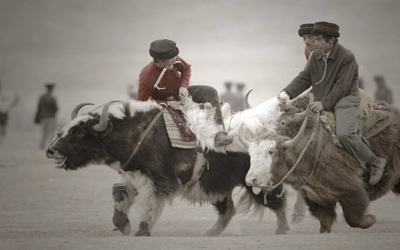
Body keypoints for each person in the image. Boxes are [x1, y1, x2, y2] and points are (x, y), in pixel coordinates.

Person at [279, 21, 386, 186]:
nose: (314, 43)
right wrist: (286, 93)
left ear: (331, 41)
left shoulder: (347, 57)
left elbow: (342, 86)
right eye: (313, 39)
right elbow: (304, 77)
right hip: (322, 99)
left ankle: (374, 161)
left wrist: (324, 104)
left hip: (345, 100)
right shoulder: (316, 55)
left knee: (344, 134)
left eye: (318, 39)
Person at [137, 39, 233, 146]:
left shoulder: (173, 59)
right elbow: (142, 103)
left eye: (175, 57)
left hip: (181, 93)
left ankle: (219, 132)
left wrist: (183, 86)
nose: (175, 59)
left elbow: (186, 68)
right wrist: (168, 103)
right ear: (160, 61)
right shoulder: (146, 76)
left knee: (210, 91)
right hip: (164, 100)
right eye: (171, 58)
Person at [35, 83, 58, 149]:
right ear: (51, 89)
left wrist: (37, 118)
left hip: (43, 118)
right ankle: (51, 147)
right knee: (51, 133)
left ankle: (42, 146)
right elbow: (56, 109)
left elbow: (39, 108)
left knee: (44, 133)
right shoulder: (52, 98)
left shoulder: (42, 97)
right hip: (51, 118)